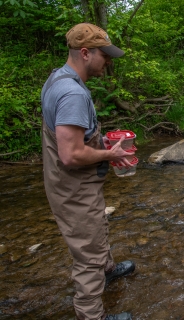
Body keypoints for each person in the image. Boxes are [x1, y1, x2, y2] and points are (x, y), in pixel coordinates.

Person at [41, 23, 135, 320]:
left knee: (96, 229)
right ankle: (92, 315)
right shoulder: (72, 93)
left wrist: (100, 140)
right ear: (85, 53)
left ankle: (107, 271)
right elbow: (71, 155)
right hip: (73, 188)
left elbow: (71, 139)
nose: (108, 61)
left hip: (71, 185)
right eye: (104, 55)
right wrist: (110, 153)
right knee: (88, 254)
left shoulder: (58, 79)